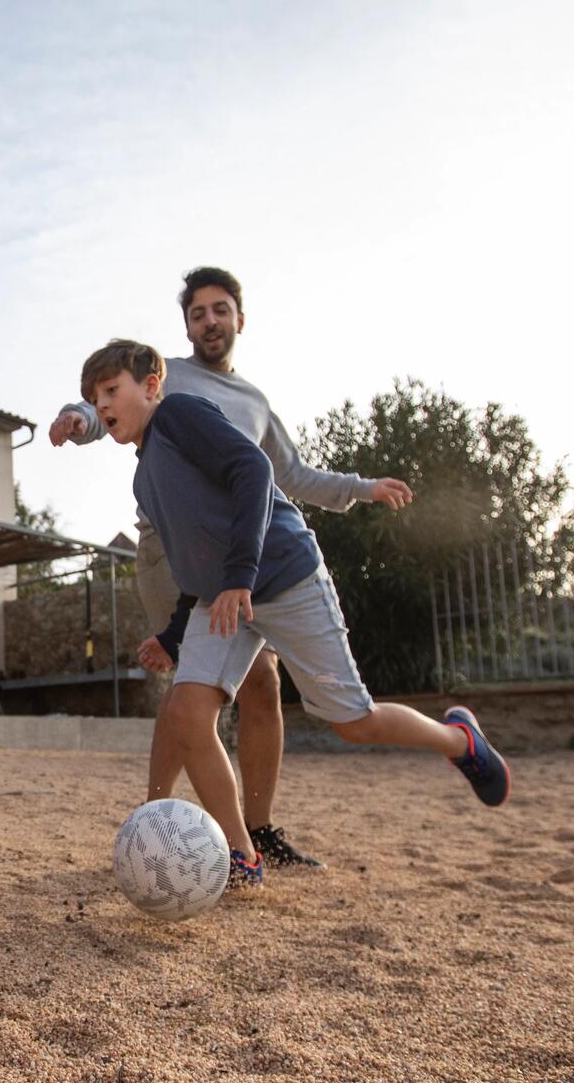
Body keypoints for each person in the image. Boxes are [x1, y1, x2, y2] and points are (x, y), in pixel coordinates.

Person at [79, 338, 510, 893]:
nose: (103, 403)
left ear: (152, 386)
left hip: (283, 576)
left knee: (355, 723)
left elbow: (254, 469)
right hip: (222, 599)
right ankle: (243, 856)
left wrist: (239, 574)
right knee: (187, 712)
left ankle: (461, 741)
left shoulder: (181, 415)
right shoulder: (144, 479)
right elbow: (192, 567)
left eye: (112, 390)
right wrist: (172, 633)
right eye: (95, 397)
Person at [49, 266, 414, 870]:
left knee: (261, 685)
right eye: (198, 313)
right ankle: (154, 821)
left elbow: (288, 476)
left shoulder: (253, 402)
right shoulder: (161, 375)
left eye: (220, 310)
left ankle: (256, 830)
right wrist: (78, 419)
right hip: (174, 553)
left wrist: (362, 487)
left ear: (238, 319)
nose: (209, 321)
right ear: (185, 327)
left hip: (241, 557)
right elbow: (102, 402)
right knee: (193, 691)